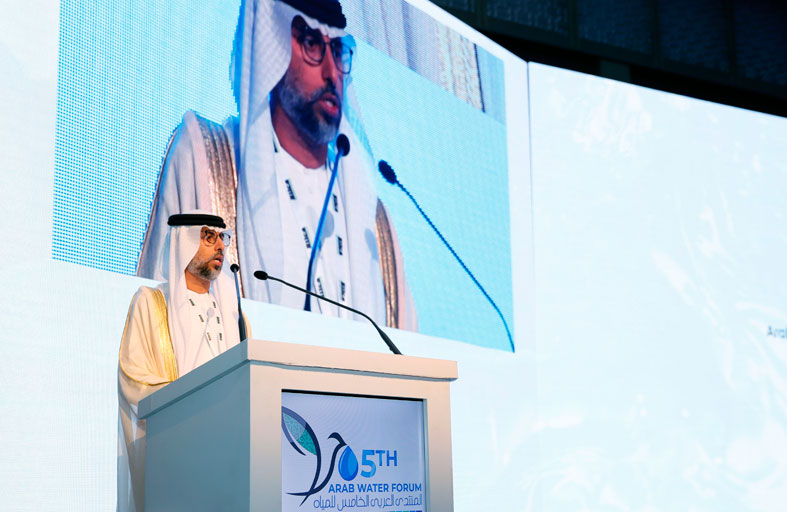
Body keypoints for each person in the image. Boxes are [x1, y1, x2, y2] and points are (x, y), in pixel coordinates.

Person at [137, 0, 417, 331]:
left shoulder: (373, 223)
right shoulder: (207, 159)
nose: (331, 73)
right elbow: (163, 331)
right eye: (312, 44)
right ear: (273, 47)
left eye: (338, 51)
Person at [117, 212, 245, 512]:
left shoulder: (235, 316)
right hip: (176, 449)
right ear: (182, 242)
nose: (220, 247)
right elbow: (133, 378)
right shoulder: (152, 302)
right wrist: (193, 403)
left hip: (230, 451)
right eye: (208, 236)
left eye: (223, 238)